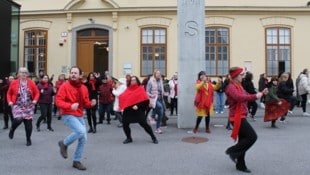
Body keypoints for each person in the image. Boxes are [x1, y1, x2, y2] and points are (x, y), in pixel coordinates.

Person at [225, 67, 267, 173]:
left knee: (243, 140)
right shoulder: (231, 87)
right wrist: (256, 96)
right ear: (235, 76)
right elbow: (239, 97)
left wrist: (260, 93)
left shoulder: (239, 86)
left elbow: (246, 95)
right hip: (236, 117)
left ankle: (240, 165)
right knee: (252, 137)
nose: (243, 76)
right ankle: (232, 151)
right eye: (241, 75)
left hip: (241, 115)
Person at [56, 66, 96, 171]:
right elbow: (58, 101)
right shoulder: (64, 86)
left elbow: (85, 103)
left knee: (83, 138)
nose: (73, 74)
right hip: (67, 113)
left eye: (75, 73)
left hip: (78, 114)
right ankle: (64, 143)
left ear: (80, 75)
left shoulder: (83, 88)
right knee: (81, 131)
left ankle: (76, 161)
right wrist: (70, 106)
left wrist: (91, 103)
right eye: (72, 73)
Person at [119, 76, 158, 144]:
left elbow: (145, 100)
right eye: (132, 80)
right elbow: (124, 98)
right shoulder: (127, 89)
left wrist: (138, 106)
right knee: (125, 123)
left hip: (138, 110)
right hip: (128, 110)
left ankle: (153, 137)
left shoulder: (140, 89)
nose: (133, 81)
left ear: (137, 81)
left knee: (144, 124)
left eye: (134, 80)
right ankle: (129, 138)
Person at [7, 67, 40, 146]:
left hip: (28, 106)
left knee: (28, 124)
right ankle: (12, 129)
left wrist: (35, 100)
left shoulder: (31, 82)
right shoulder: (14, 83)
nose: (23, 74)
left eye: (25, 72)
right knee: (18, 119)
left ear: (27, 74)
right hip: (17, 105)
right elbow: (9, 93)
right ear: (18, 74)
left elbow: (37, 93)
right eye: (21, 72)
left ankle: (28, 139)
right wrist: (10, 101)